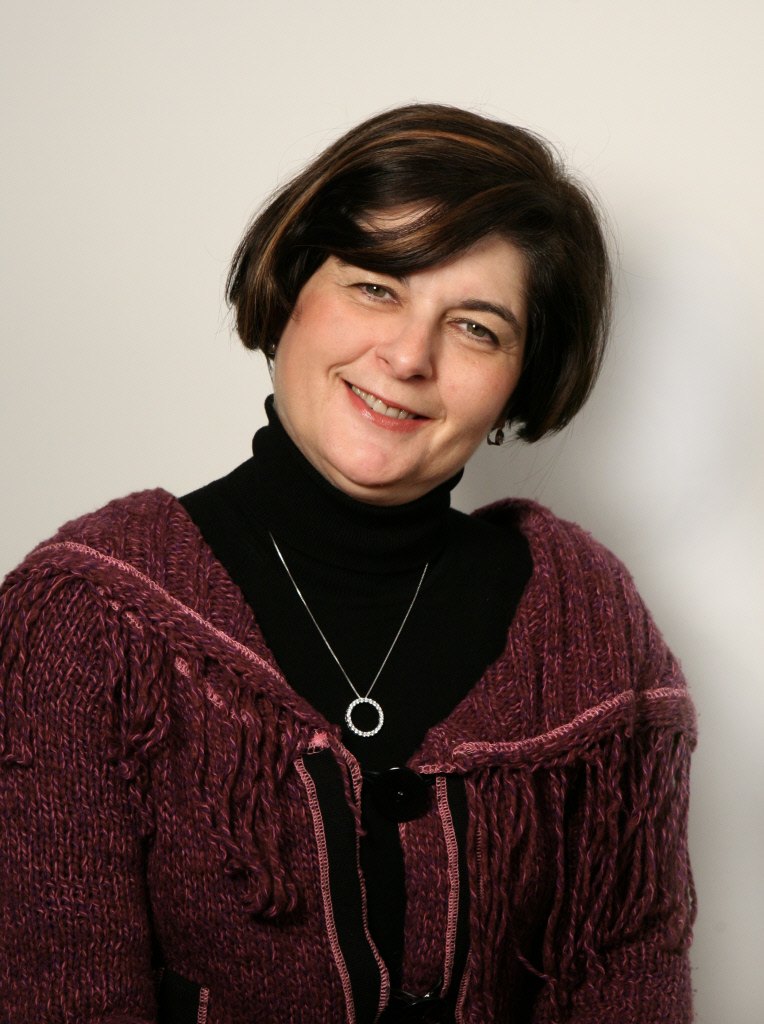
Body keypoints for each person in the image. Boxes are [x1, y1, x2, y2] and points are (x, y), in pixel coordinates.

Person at [0, 104, 695, 1023]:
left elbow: (629, 980)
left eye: (476, 327)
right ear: (290, 290)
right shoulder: (87, 615)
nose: (407, 356)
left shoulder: (587, 622)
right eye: (375, 287)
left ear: (520, 379)